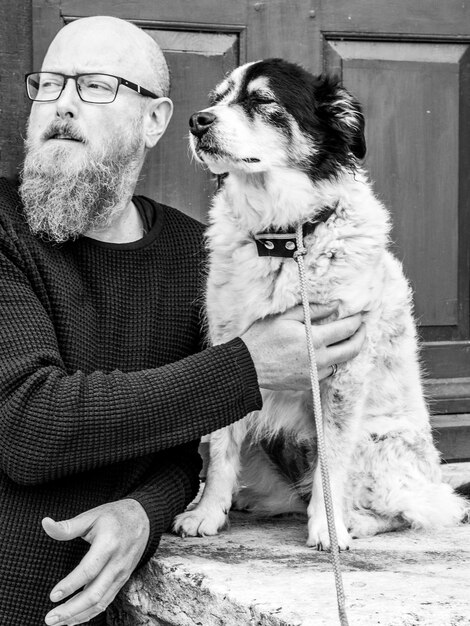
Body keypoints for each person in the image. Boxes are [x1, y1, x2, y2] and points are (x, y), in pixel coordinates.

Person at [0, 15, 366, 626]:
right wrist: (246, 365)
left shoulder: (195, 253)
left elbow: (183, 440)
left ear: (155, 120)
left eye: (94, 86)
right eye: (49, 84)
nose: (62, 104)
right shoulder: (4, 232)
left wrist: (145, 510)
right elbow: (28, 426)